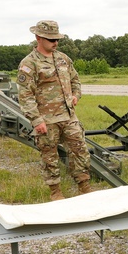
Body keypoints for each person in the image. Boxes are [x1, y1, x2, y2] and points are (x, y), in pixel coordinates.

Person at [17, 20, 92, 200]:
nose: (55, 43)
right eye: (51, 39)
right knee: (50, 156)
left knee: (80, 150)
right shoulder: (29, 64)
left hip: (68, 116)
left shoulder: (63, 58)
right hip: (47, 120)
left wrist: (76, 95)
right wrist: (36, 120)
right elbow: (25, 95)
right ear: (38, 38)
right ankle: (55, 192)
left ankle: (84, 186)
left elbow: (75, 80)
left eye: (57, 39)